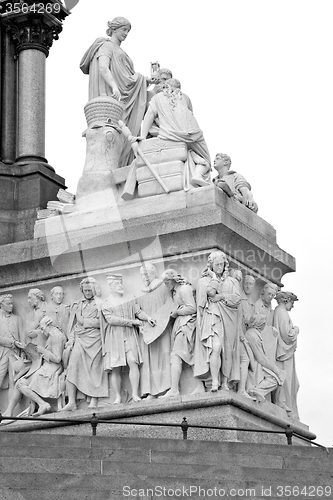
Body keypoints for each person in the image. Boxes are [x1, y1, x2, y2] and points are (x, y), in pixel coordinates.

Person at [80, 16, 154, 168]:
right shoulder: (105, 46)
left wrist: (145, 80)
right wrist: (114, 86)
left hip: (125, 97)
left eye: (128, 31)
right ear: (114, 29)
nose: (126, 33)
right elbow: (103, 68)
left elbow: (128, 78)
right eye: (124, 29)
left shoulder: (121, 51)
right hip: (112, 97)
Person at [139, 78, 211, 187]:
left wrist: (143, 137)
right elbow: (189, 116)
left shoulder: (157, 98)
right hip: (193, 134)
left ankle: (193, 159)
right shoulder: (186, 97)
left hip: (170, 135)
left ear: (166, 87)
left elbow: (149, 115)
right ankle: (198, 173)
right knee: (206, 159)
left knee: (190, 149)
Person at [101, 274, 156, 404]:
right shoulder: (106, 303)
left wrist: (148, 317)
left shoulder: (130, 298)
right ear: (110, 286)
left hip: (130, 334)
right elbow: (111, 319)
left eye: (121, 283)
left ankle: (135, 394)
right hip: (115, 336)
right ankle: (118, 397)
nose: (120, 286)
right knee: (116, 367)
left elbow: (138, 312)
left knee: (133, 361)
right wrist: (132, 322)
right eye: (117, 284)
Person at [195, 251, 241, 392]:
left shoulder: (232, 281)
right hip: (212, 318)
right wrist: (214, 277)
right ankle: (215, 381)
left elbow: (237, 299)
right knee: (216, 347)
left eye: (222, 264)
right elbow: (209, 293)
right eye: (217, 264)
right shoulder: (203, 281)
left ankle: (225, 382)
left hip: (229, 319)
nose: (220, 267)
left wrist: (221, 296)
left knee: (227, 351)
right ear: (211, 266)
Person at [3, 316, 67, 417]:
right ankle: (9, 411)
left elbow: (58, 358)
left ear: (49, 325)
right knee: (19, 383)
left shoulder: (56, 336)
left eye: (42, 328)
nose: (42, 331)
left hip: (51, 370)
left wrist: (43, 351)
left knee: (20, 384)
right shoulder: (52, 334)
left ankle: (42, 404)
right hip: (46, 367)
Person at [61, 278, 108, 411]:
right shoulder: (76, 304)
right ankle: (71, 401)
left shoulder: (101, 303)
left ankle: (94, 399)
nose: (87, 293)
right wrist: (71, 339)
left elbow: (103, 322)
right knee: (72, 366)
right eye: (85, 290)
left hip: (96, 339)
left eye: (90, 290)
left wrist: (85, 321)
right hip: (79, 339)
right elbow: (72, 325)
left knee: (95, 369)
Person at [160, 269, 198, 398]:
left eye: (166, 282)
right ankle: (200, 385)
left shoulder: (184, 289)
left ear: (172, 280)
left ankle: (175, 389)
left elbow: (192, 308)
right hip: (181, 323)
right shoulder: (176, 290)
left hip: (187, 324)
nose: (166, 285)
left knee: (177, 354)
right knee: (187, 354)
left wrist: (177, 312)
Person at [137, 263, 173, 398]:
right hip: (148, 331)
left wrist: (161, 321)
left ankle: (168, 388)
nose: (143, 276)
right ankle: (152, 391)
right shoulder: (140, 292)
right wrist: (144, 320)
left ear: (153, 273)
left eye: (146, 273)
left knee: (165, 355)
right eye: (141, 274)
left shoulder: (163, 286)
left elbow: (170, 304)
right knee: (149, 361)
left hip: (163, 328)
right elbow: (137, 310)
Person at [244, 313, 285, 403]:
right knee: (276, 379)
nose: (264, 325)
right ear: (261, 324)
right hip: (255, 366)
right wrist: (276, 369)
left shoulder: (254, 333)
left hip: (258, 363)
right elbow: (260, 358)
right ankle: (256, 391)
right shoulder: (253, 335)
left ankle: (259, 392)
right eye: (264, 323)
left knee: (278, 378)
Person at [273, 291, 300, 419]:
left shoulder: (279, 312)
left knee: (291, 383)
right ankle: (288, 409)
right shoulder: (282, 313)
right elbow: (287, 335)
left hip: (285, 353)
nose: (292, 306)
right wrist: (295, 330)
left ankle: (288, 407)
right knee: (288, 382)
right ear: (286, 300)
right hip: (284, 354)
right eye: (292, 302)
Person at [237, 275, 256, 398]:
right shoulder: (240, 299)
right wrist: (241, 334)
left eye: (251, 284)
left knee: (248, 361)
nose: (248, 286)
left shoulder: (251, 302)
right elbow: (237, 318)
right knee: (245, 360)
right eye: (246, 283)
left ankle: (245, 389)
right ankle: (241, 390)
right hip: (239, 336)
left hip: (246, 336)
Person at [0, 294, 24, 391]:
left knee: (14, 381)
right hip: (3, 352)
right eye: (8, 304)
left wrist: (23, 352)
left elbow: (22, 336)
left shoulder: (17, 319)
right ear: (1, 304)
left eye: (12, 303)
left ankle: (12, 405)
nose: (11, 306)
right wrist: (13, 342)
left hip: (15, 353)